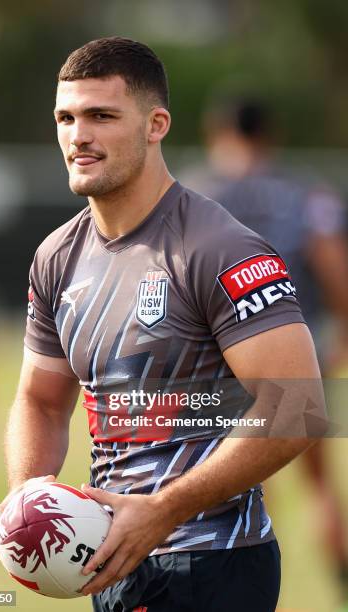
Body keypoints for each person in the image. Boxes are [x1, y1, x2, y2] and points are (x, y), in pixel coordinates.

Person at [0, 38, 325, 612]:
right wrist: (29, 492)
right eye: (66, 118)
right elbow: (41, 401)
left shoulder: (220, 248)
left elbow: (297, 408)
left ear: (156, 124)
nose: (78, 135)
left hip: (212, 562)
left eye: (101, 116)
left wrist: (164, 509)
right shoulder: (56, 257)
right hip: (112, 559)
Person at [183, 97, 348, 601]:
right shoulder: (301, 192)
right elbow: (331, 264)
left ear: (216, 133)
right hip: (299, 352)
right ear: (269, 135)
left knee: (236, 483)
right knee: (319, 483)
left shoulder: (194, 193)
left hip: (219, 363)